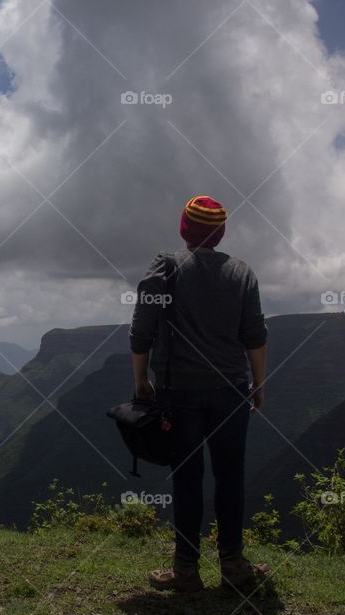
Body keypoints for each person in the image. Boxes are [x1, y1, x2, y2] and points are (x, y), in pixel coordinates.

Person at [128, 195, 272, 593]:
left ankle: (186, 571)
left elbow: (142, 327)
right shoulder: (242, 273)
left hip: (179, 394)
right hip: (231, 392)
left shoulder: (166, 266)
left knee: (187, 479)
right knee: (230, 477)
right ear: (220, 233)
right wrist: (258, 385)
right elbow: (254, 336)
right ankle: (234, 565)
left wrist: (141, 378)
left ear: (184, 230)